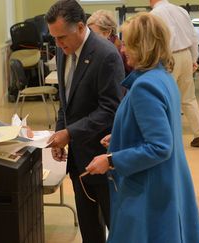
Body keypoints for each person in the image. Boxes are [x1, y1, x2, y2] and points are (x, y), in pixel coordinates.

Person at [85, 13, 199, 243]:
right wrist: (120, 135)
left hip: (149, 190)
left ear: (143, 47)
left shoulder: (144, 87)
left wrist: (111, 160)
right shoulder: (163, 77)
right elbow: (157, 128)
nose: (122, 50)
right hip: (168, 181)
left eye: (128, 44)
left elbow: (160, 146)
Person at [45, 1, 124, 242]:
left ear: (80, 27)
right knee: (90, 229)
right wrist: (60, 135)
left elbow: (111, 109)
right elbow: (65, 101)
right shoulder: (63, 49)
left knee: (117, 227)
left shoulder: (106, 55)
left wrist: (70, 133)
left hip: (102, 156)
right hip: (79, 161)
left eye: (61, 38)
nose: (57, 44)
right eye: (54, 39)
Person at [150, 0, 199, 147]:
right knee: (188, 97)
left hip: (169, 58)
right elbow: (193, 36)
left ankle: (171, 137)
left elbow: (154, 43)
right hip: (186, 55)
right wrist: (194, 58)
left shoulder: (153, 15)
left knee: (168, 98)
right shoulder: (180, 10)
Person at [87, 10, 132, 76]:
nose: (90, 39)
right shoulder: (98, 48)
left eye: (94, 35)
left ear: (107, 33)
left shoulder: (122, 52)